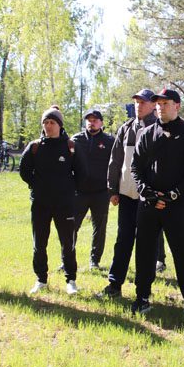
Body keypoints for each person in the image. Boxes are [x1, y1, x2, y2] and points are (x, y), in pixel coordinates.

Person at [130, 88, 184, 318]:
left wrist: (174, 194)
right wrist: (147, 193)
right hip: (149, 204)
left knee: (182, 253)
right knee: (144, 252)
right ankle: (142, 296)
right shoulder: (147, 133)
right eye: (158, 104)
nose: (161, 107)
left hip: (177, 205)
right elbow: (136, 167)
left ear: (177, 106)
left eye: (165, 103)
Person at [20, 106, 86, 295]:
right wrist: (36, 185)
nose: (49, 126)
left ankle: (71, 280)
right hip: (40, 203)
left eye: (52, 122)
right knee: (39, 243)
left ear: (59, 125)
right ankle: (41, 279)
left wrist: (70, 190)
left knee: (68, 243)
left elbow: (82, 173)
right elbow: (24, 171)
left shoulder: (70, 146)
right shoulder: (35, 147)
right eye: (46, 123)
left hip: (65, 204)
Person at [100, 89, 157, 298]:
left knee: (146, 244)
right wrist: (112, 189)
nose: (139, 105)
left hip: (148, 198)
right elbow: (115, 161)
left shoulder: (158, 129)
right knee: (123, 240)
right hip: (125, 195)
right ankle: (114, 285)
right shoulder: (125, 128)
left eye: (143, 102)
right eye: (136, 102)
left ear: (153, 105)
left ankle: (144, 291)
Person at [72, 108, 115, 270]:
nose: (92, 122)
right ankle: (67, 259)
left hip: (101, 193)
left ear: (101, 123)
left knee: (100, 228)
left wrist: (113, 190)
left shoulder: (110, 141)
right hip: (79, 192)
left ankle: (94, 261)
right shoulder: (76, 140)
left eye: (95, 120)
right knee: (71, 227)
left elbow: (115, 165)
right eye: (89, 120)